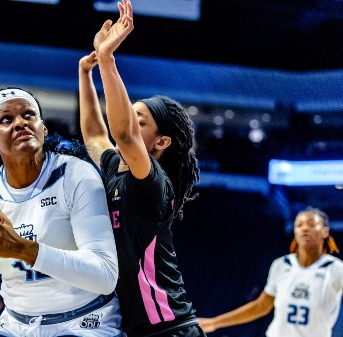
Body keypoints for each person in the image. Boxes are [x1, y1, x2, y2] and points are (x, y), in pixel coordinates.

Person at [0, 87, 122, 336]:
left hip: (86, 320)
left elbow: (105, 275)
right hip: (17, 325)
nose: (20, 123)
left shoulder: (75, 174)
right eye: (6, 119)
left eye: (28, 115)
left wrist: (22, 249)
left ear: (43, 128)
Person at [79, 1, 203, 336]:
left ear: (161, 142)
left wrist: (107, 59)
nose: (129, 121)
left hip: (170, 328)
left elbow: (122, 133)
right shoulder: (114, 168)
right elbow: (94, 135)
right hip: (137, 330)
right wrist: (85, 72)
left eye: (140, 120)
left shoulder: (154, 185)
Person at [197, 207, 343, 337]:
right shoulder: (281, 265)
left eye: (312, 225)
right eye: (299, 225)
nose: (305, 229)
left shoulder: (335, 268)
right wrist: (214, 323)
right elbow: (261, 306)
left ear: (325, 231)